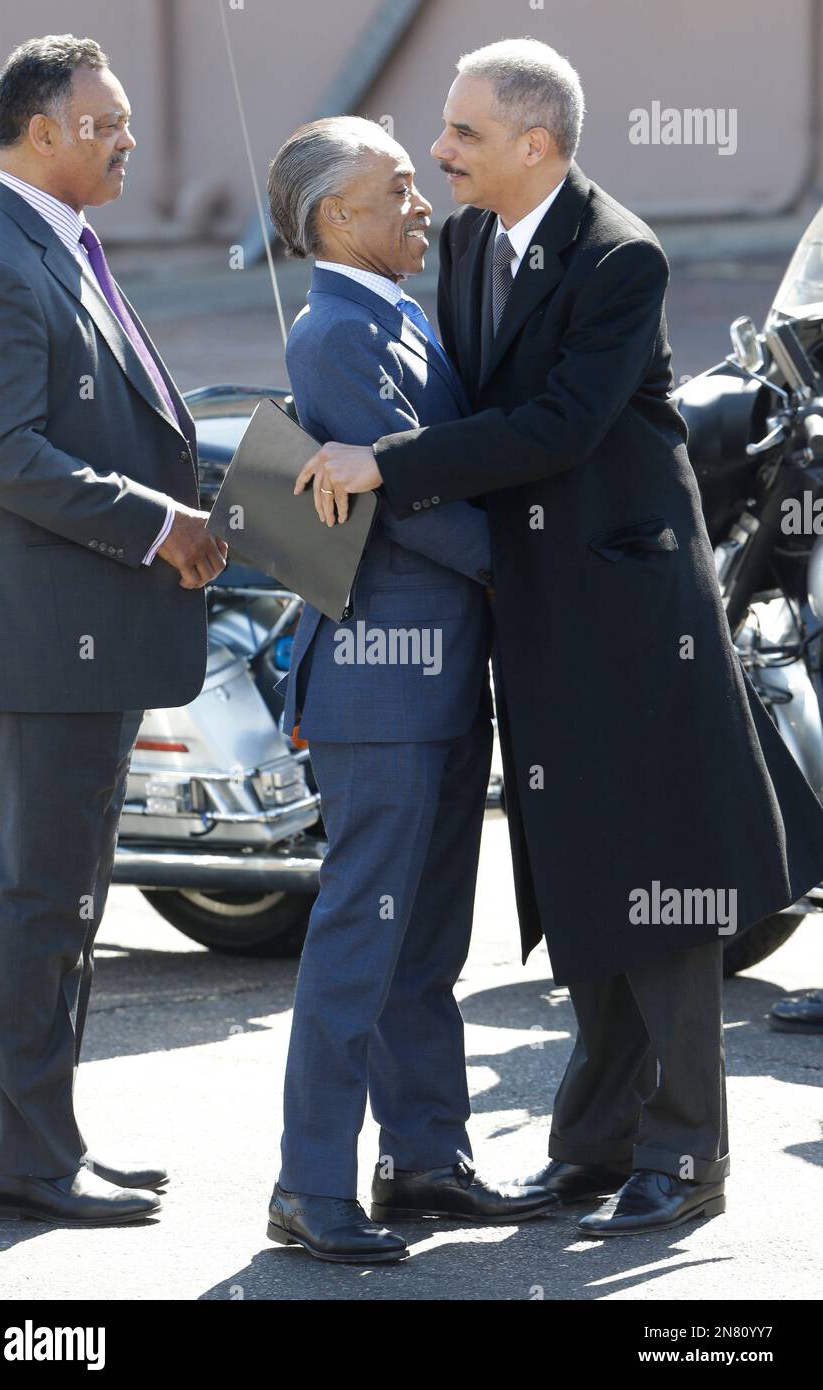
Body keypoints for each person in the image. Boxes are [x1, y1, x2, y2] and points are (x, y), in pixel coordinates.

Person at [294, 38, 823, 1237]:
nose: (439, 153)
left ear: (535, 142)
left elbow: (555, 424)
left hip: (630, 616)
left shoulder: (619, 253)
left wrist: (386, 460)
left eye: (463, 134)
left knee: (665, 882)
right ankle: (593, 1145)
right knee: (588, 878)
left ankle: (685, 1154)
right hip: (534, 610)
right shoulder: (475, 238)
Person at [264, 116, 554, 1264]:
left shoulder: (391, 312)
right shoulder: (333, 331)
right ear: (338, 216)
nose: (422, 201)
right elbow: (415, 496)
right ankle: (307, 1184)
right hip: (378, 696)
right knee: (359, 939)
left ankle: (425, 1159)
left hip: (434, 687)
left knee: (424, 940)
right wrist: (528, 582)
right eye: (397, 187)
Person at [0, 35, 226, 1226]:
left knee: (65, 900)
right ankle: (24, 1163)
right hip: (36, 642)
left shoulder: (47, 243)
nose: (126, 138)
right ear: (42, 131)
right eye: (105, 122)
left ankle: (44, 1141)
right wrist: (157, 521)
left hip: (79, 638)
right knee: (38, 902)